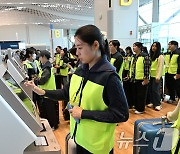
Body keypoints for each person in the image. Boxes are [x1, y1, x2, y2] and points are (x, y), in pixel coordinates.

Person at [25, 24, 129, 154]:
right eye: (76, 48)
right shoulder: (80, 70)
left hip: (97, 147)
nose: (77, 52)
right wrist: (42, 92)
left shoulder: (109, 77)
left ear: (95, 45)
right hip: (79, 138)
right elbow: (65, 93)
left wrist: (84, 114)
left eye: (80, 47)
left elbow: (122, 114)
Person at [34, 50, 59, 130]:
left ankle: (53, 125)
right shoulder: (46, 66)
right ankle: (52, 124)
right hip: (47, 92)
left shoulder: (47, 68)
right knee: (49, 110)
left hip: (48, 92)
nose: (40, 59)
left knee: (50, 110)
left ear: (44, 57)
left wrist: (36, 80)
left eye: (40, 57)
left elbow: (43, 80)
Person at [129, 42, 151, 114]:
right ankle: (136, 107)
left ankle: (141, 109)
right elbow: (132, 67)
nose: (133, 48)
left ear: (139, 47)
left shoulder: (145, 56)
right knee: (135, 94)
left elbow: (147, 68)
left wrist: (146, 78)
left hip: (141, 79)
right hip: (134, 78)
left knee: (141, 95)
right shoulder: (134, 56)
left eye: (135, 46)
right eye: (133, 46)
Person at [146, 42, 164, 111]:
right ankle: (153, 102)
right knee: (150, 90)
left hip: (156, 76)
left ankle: (158, 104)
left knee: (155, 90)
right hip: (151, 76)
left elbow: (160, 67)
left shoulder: (160, 56)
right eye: (153, 46)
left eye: (155, 46)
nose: (153, 47)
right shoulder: (151, 55)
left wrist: (158, 77)